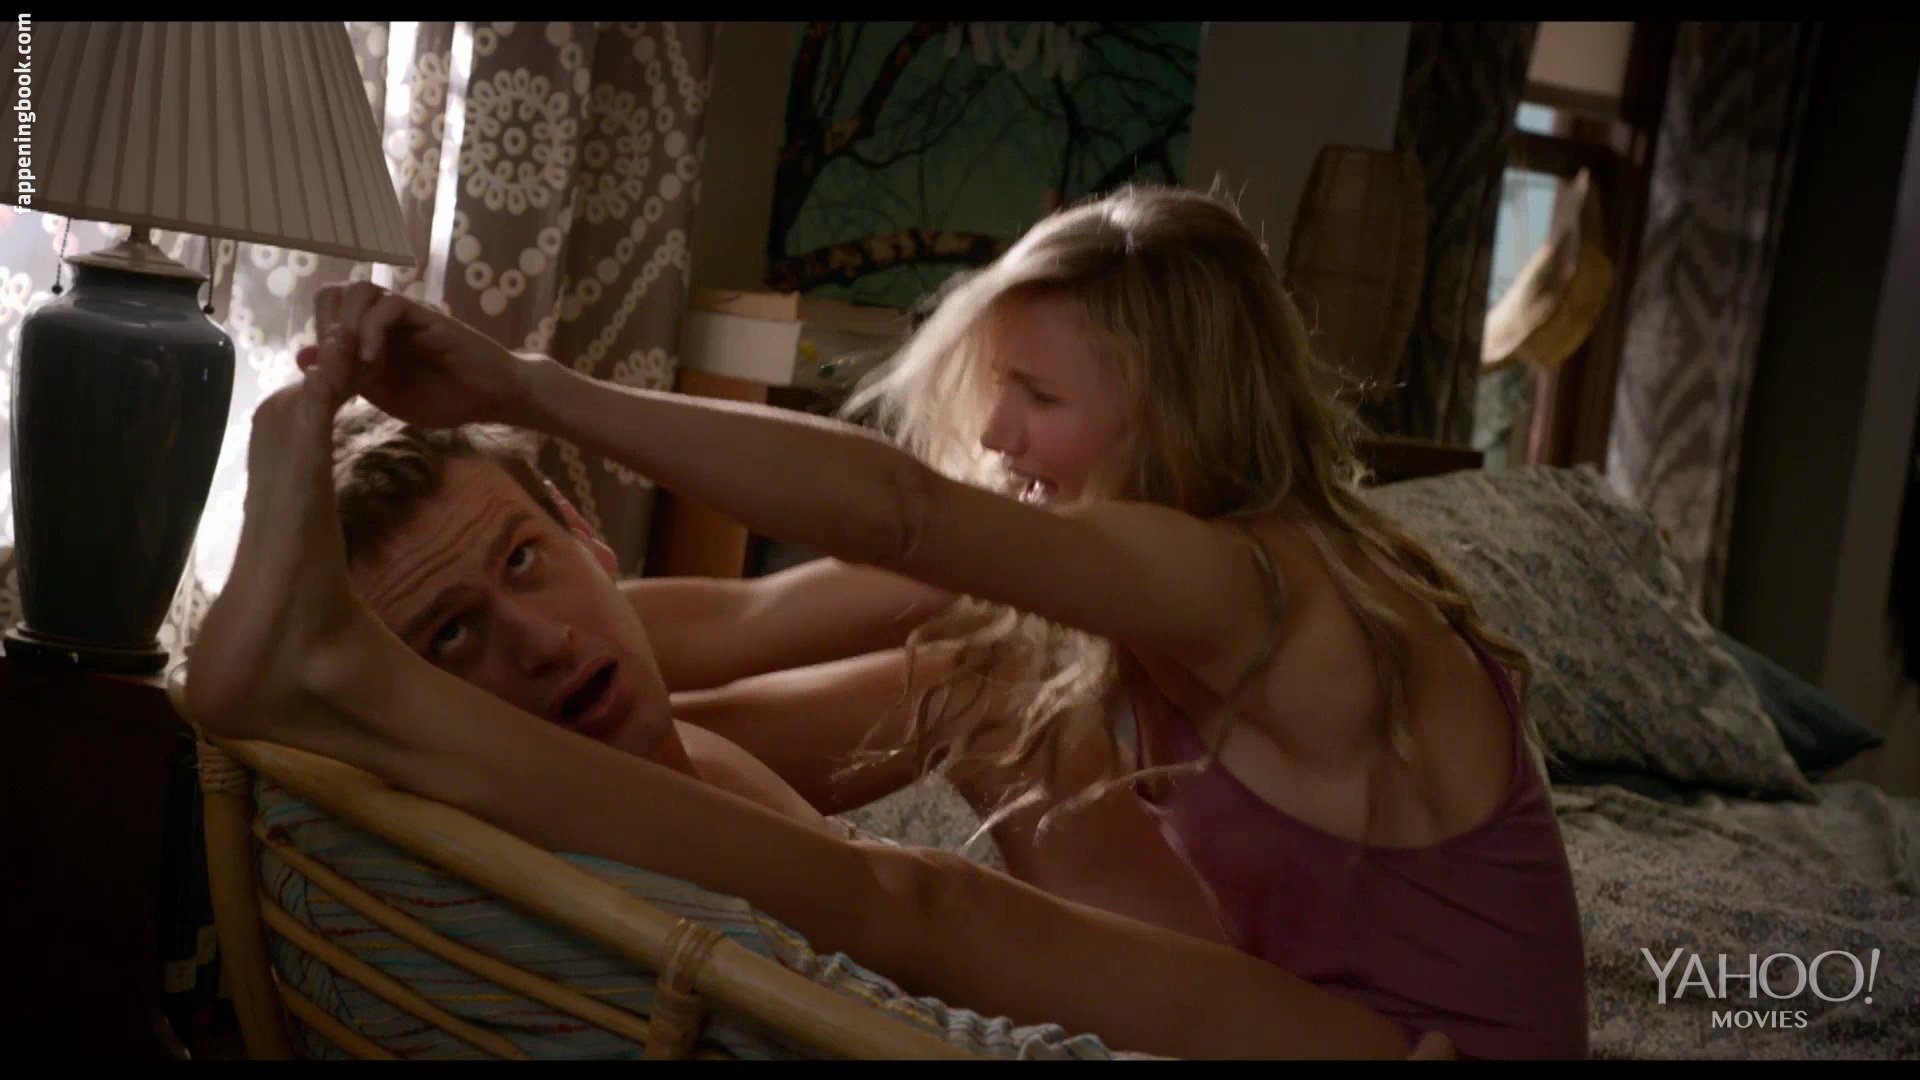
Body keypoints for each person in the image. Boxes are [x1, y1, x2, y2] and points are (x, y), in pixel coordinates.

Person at [185, 182, 1582, 1058]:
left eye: (1039, 396)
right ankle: (377, 689)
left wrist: (527, 387)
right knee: (959, 702)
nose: (996, 431)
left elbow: (905, 514)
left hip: (1417, 1053)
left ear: (1177, 406)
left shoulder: (1252, 584)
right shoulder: (1123, 574)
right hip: (1328, 1016)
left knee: (931, 890)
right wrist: (509, 617)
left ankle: (368, 691)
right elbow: (740, 614)